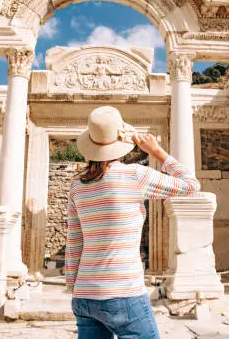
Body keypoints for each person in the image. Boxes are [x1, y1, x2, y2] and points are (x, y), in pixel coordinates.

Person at [66, 106, 200, 339]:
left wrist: (74, 286)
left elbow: (74, 241)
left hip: (84, 294)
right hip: (123, 292)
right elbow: (190, 185)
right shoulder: (135, 175)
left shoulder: (77, 186)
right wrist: (157, 151)